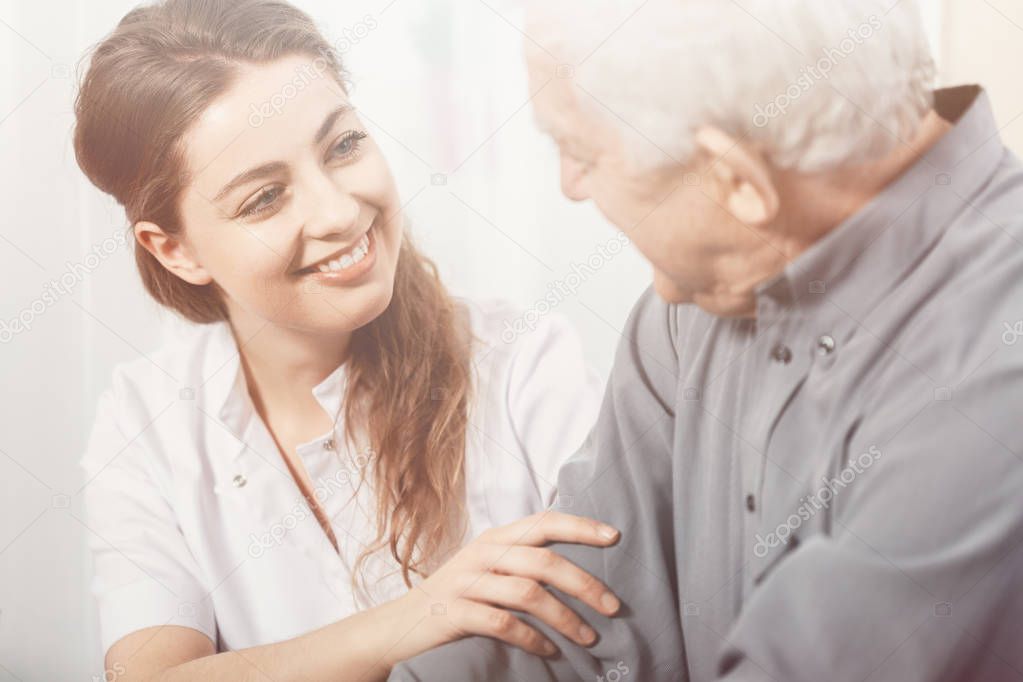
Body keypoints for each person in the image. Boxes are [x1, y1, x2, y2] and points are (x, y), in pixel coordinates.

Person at [388, 0, 1023, 680]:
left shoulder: (994, 372)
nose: (569, 186)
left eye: (579, 150)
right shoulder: (695, 304)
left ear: (736, 181)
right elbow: (555, 614)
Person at [74, 1, 623, 679]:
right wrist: (418, 615)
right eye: (264, 198)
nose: (338, 211)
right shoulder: (145, 421)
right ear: (175, 249)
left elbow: (632, 628)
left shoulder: (524, 364)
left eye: (343, 146)